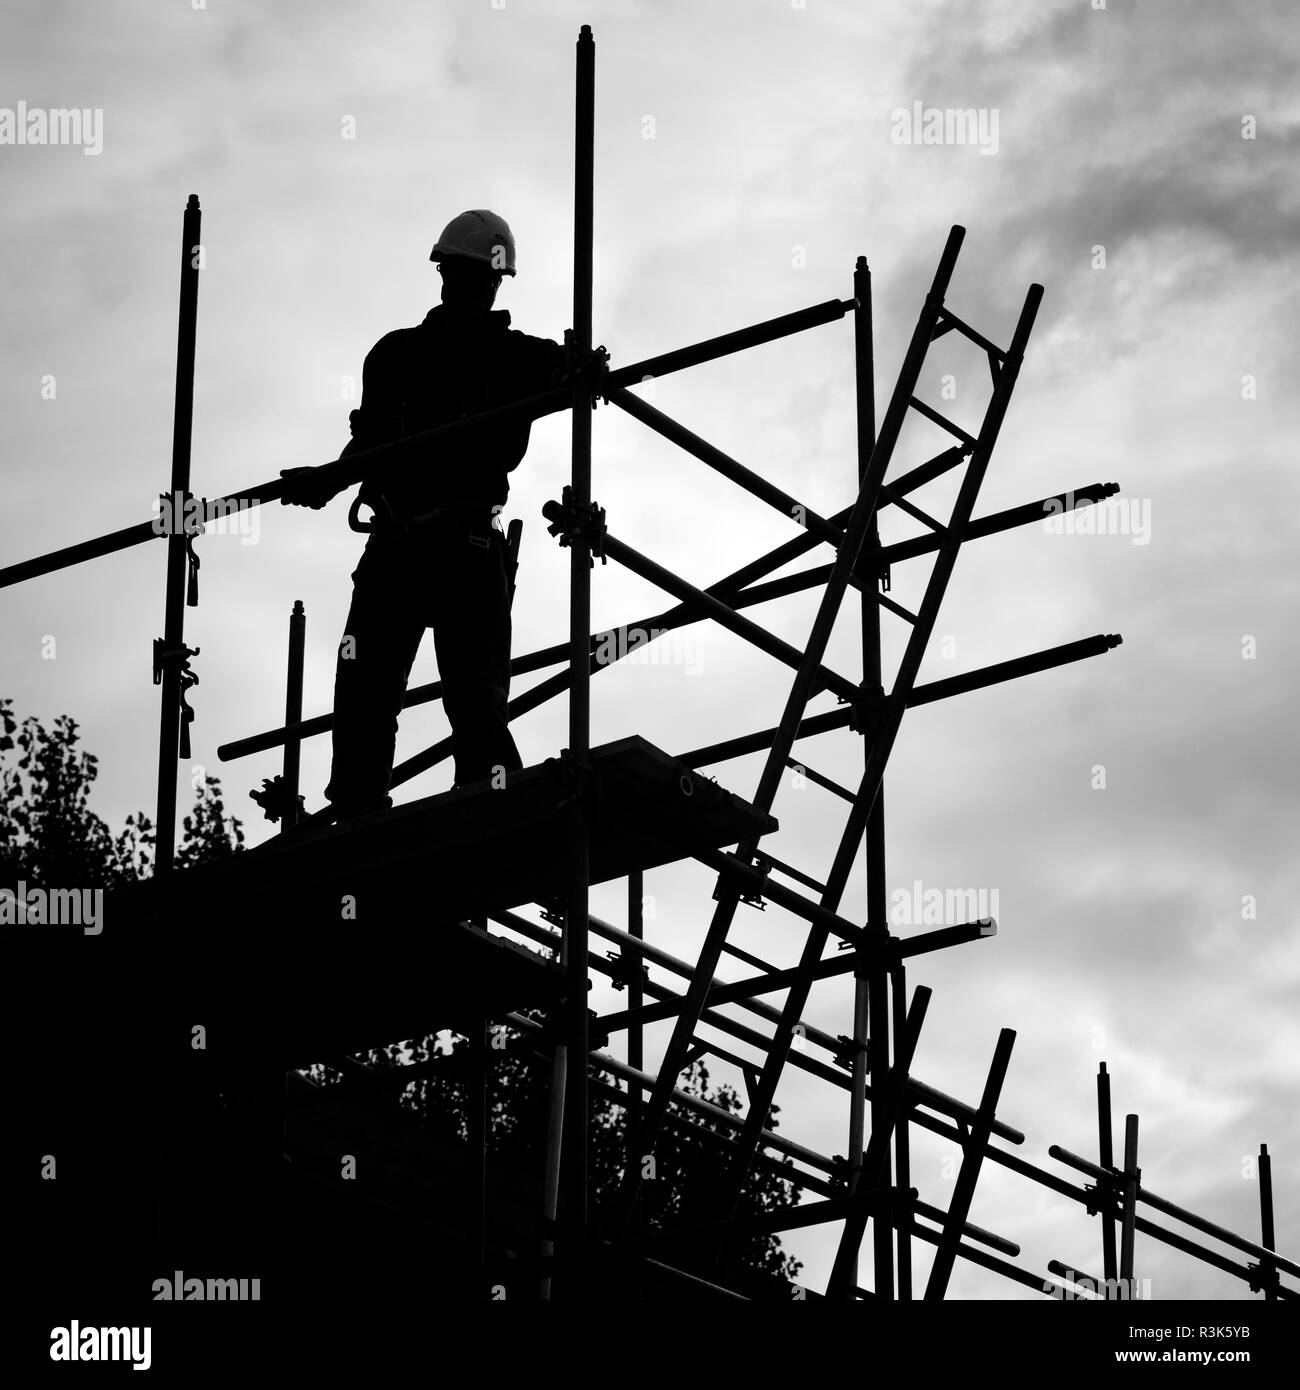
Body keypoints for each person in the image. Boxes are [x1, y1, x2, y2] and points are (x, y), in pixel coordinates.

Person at [282, 210, 574, 818]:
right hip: (398, 545)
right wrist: (328, 481)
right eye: (467, 274)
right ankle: (361, 815)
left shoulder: (518, 358)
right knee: (365, 691)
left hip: (463, 546)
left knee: (475, 701)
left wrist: (578, 366)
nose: (475, 287)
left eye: (482, 277)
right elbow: (370, 446)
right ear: (446, 275)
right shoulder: (395, 356)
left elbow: (572, 376)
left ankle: (487, 815)